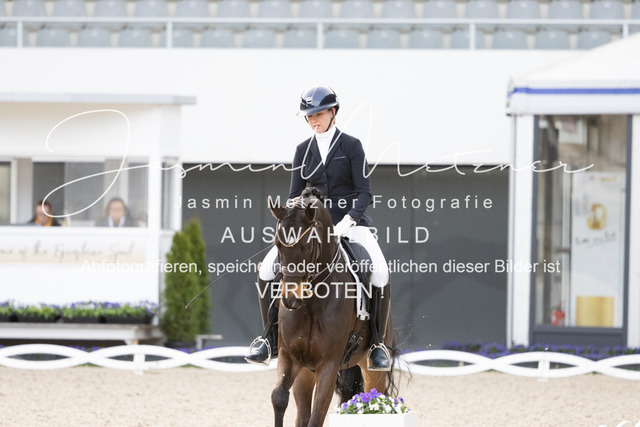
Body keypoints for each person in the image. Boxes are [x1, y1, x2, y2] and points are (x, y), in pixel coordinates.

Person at [245, 85, 392, 370]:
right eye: (309, 116)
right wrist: (293, 219)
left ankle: (376, 343)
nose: (314, 120)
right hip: (310, 228)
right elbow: (293, 195)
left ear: (333, 112)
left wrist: (347, 221)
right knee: (266, 269)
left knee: (380, 271)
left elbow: (364, 193)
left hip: (350, 225)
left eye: (319, 114)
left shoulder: (351, 146)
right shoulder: (303, 150)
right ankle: (268, 337)